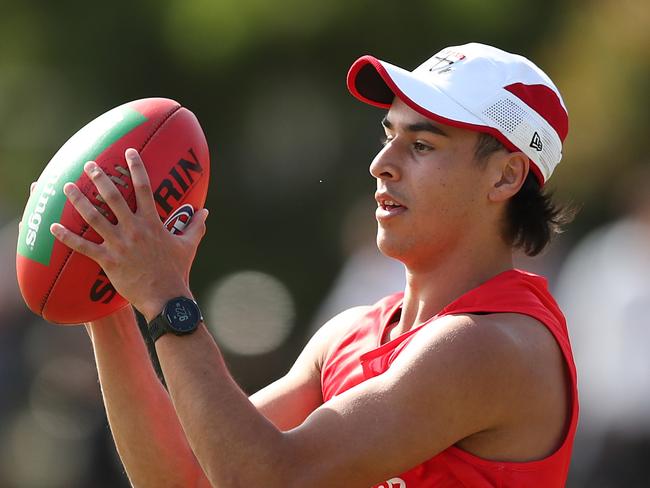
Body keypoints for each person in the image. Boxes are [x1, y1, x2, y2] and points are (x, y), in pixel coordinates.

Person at [50, 43, 578, 487]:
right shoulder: (349, 334)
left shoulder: (494, 344)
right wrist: (109, 287)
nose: (381, 164)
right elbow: (186, 477)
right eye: (388, 135)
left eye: (420, 144)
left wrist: (166, 295)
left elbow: (266, 478)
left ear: (506, 178)